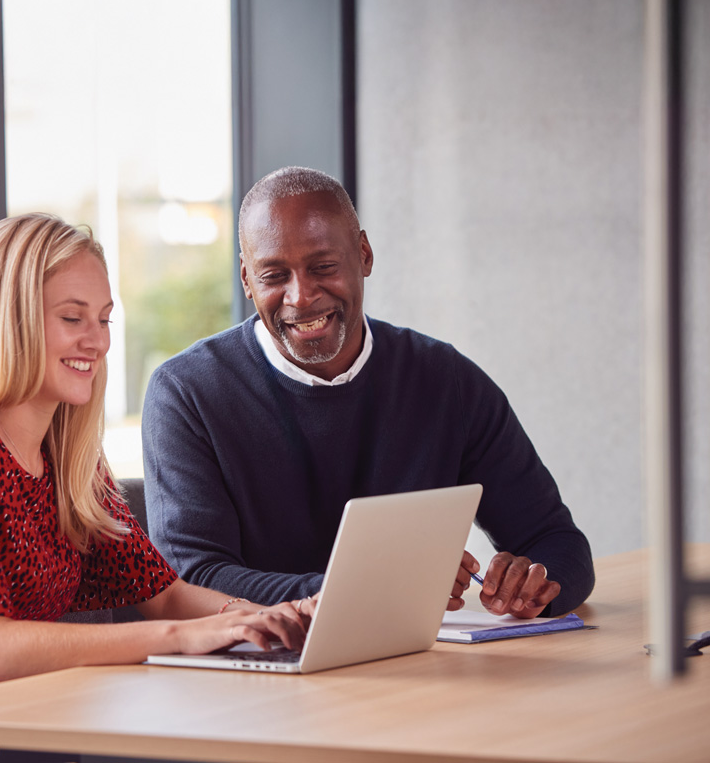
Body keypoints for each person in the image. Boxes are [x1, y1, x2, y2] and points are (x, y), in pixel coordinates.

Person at [0, 213, 314, 763]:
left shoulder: (66, 456)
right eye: (73, 318)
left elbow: (162, 593)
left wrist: (258, 617)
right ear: (8, 319)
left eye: (105, 319)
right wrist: (178, 637)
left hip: (33, 722)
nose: (97, 342)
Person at [142, 166, 595, 620]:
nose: (300, 297)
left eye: (323, 267)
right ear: (246, 278)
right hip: (254, 678)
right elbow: (192, 579)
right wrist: (375, 587)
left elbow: (558, 544)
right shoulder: (186, 393)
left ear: (364, 255)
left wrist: (533, 583)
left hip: (410, 668)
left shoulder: (445, 381)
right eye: (274, 275)